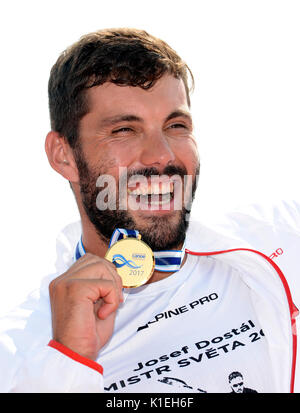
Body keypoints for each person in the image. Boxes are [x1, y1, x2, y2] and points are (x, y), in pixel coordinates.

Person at [0, 28, 299, 393]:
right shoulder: (17, 351)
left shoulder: (283, 236)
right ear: (64, 155)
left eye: (176, 126)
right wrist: (67, 361)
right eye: (125, 129)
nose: (163, 155)